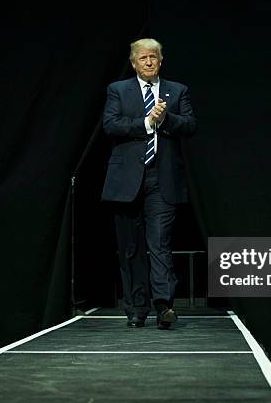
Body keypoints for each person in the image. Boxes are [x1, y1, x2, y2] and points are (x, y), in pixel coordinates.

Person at [101, 38, 196, 329]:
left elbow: (191, 125)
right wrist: (146, 123)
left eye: (154, 57)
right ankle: (136, 309)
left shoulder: (177, 91)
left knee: (160, 244)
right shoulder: (118, 90)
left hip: (161, 178)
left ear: (161, 60)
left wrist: (165, 119)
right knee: (130, 248)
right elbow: (110, 125)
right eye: (143, 58)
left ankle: (163, 305)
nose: (149, 62)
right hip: (127, 180)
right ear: (133, 63)